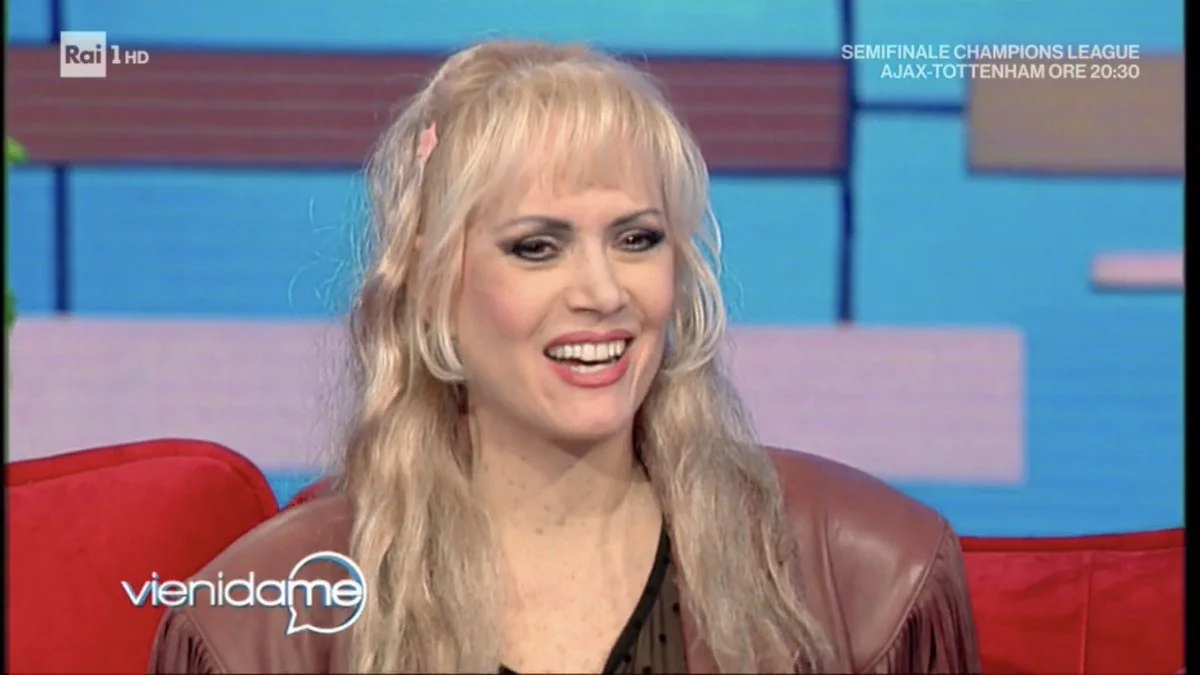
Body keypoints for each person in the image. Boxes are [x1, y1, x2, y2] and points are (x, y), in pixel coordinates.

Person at [148, 40, 980, 674]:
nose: (603, 290)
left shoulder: (868, 576)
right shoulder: (264, 621)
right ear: (432, 285)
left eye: (636, 238)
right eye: (537, 247)